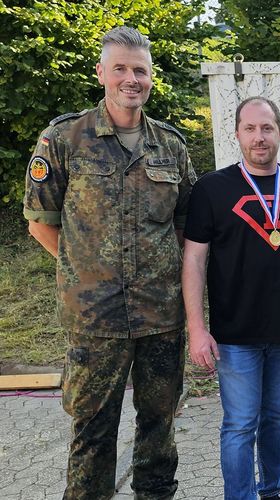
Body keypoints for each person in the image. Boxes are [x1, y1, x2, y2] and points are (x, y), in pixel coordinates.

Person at [22, 26, 195, 499]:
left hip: (160, 314)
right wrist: (84, 271)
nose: (130, 79)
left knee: (160, 426)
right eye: (120, 68)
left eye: (139, 70)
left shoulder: (171, 146)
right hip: (94, 318)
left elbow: (186, 227)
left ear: (152, 78)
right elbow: (40, 221)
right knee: (93, 430)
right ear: (101, 72)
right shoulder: (64, 138)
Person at [182, 96, 280, 500]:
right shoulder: (211, 189)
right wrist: (197, 329)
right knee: (240, 423)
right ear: (236, 133)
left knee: (276, 419)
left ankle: (272, 489)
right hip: (234, 334)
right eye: (251, 129)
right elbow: (194, 261)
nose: (259, 137)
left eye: (267, 128)